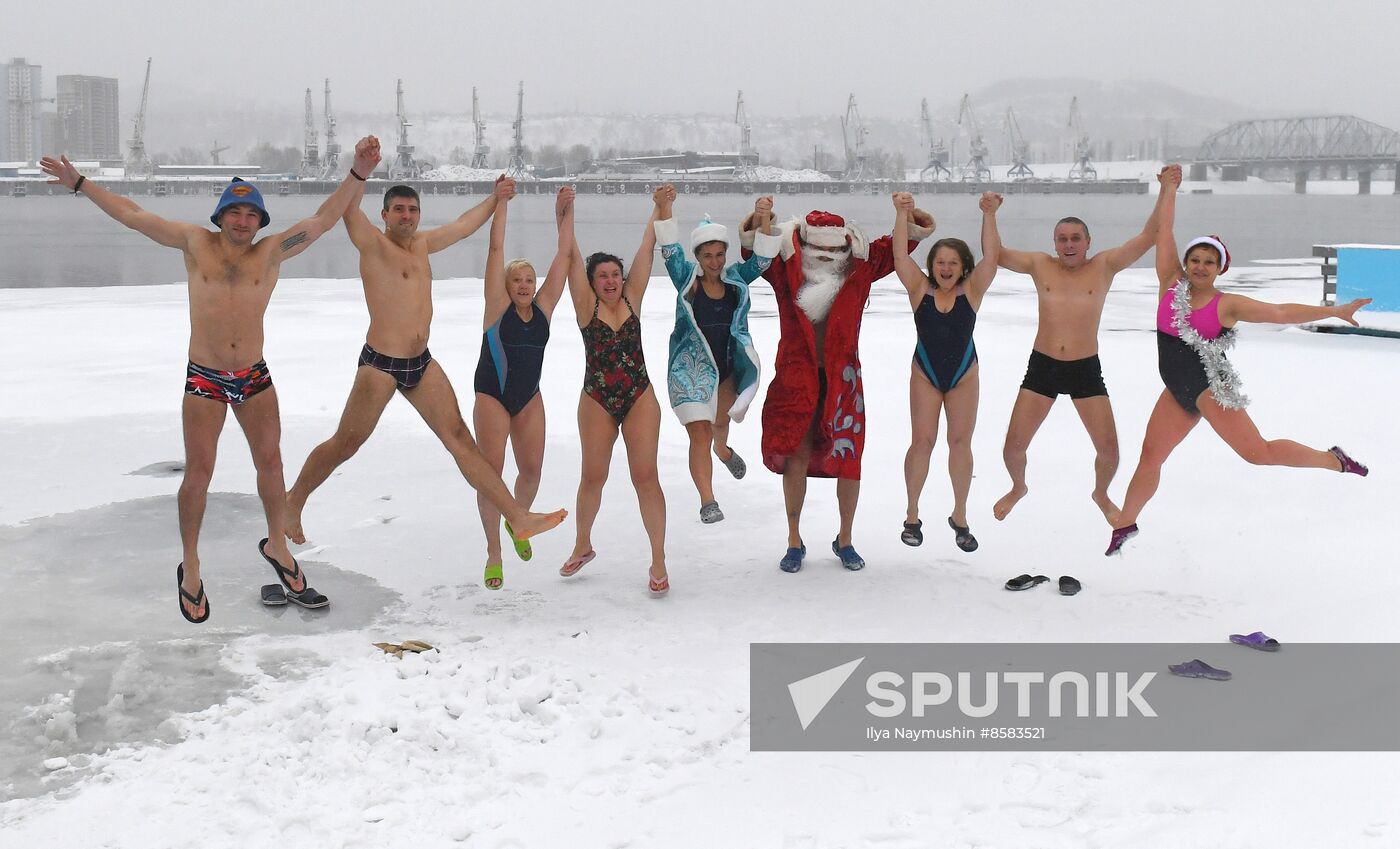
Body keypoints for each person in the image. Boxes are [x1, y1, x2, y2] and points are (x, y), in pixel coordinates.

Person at [40, 137, 382, 623]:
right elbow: (134, 215)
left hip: (254, 377)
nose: (242, 222)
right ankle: (193, 566)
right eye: (235, 212)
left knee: (271, 463)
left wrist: (359, 173)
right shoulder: (193, 243)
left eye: (251, 215)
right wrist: (80, 184)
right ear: (220, 216)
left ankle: (278, 546)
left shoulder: (272, 253)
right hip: (205, 378)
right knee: (199, 474)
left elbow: (325, 219)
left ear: (260, 222)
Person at [283, 177, 567, 554]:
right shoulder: (373, 243)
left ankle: (517, 516)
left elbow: (464, 225)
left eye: (412, 209)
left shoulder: (422, 245)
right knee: (345, 443)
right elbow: (346, 210)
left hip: (421, 363)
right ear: (384, 214)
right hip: (381, 365)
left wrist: (495, 198)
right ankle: (293, 499)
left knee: (462, 441)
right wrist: (359, 172)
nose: (406, 215)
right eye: (398, 209)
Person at [1105, 164, 1370, 555]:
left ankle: (1333, 460)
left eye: (1208, 262)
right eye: (1194, 259)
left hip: (1211, 387)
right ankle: (1125, 524)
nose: (1199, 266)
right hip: (1177, 389)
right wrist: (1170, 189)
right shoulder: (1168, 283)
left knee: (1257, 453)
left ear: (1220, 268)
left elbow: (1280, 312)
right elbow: (1164, 231)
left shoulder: (1226, 305)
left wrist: (1331, 312)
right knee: (1150, 455)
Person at [742, 204, 934, 573]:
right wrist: (759, 217)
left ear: (846, 247)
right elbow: (754, 253)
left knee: (849, 461)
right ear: (806, 245)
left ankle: (845, 539)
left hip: (844, 378)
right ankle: (794, 540)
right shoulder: (787, 269)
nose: (828, 257)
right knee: (795, 456)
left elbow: (901, 244)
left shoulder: (859, 269)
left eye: (834, 251)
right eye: (822, 251)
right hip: (796, 377)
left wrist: (907, 212)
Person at [992, 167, 1176, 524]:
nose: (1069, 245)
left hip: (1084, 368)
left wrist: (1167, 188)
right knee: (1013, 449)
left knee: (1109, 452)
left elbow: (1152, 234)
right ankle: (1018, 487)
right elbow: (995, 253)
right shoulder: (1039, 265)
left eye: (1076, 238)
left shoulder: (1105, 265)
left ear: (1088, 242)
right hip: (1043, 366)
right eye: (1063, 239)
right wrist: (989, 213)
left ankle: (1101, 493)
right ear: (1054, 243)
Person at [559, 186, 668, 596]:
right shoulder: (586, 307)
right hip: (597, 398)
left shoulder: (633, 299)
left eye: (615, 274)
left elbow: (647, 247)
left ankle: (658, 560)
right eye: (602, 275)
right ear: (591, 282)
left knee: (646, 477)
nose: (610, 280)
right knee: (593, 476)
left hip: (639, 394)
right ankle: (583, 544)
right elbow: (570, 255)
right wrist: (564, 213)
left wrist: (659, 208)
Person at [653, 191, 780, 523]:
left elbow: (763, 261)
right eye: (707, 255)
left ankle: (723, 451)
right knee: (699, 431)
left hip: (726, 369)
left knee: (719, 424)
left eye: (719, 254)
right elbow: (669, 248)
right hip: (689, 369)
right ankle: (708, 500)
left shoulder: (736, 279)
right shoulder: (686, 277)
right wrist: (665, 206)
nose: (714, 262)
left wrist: (764, 217)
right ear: (698, 256)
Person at [470, 186, 575, 589]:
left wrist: (564, 213)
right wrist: (500, 203)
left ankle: (519, 522)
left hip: (529, 397)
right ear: (507, 285)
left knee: (531, 472)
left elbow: (563, 260)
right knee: (492, 474)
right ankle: (494, 551)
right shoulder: (497, 308)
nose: (525, 284)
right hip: (491, 397)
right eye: (517, 279)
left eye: (530, 279)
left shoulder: (545, 308)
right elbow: (495, 249)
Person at [891, 190, 1003, 553]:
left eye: (953, 263)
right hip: (924, 372)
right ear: (931, 265)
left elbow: (993, 258)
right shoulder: (918, 287)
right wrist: (901, 214)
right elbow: (898, 256)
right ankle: (911, 514)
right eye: (940, 261)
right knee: (922, 441)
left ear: (963, 266)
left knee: (960, 443)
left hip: (963, 375)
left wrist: (989, 214)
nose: (946, 268)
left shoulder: (972, 291)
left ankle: (960, 515)